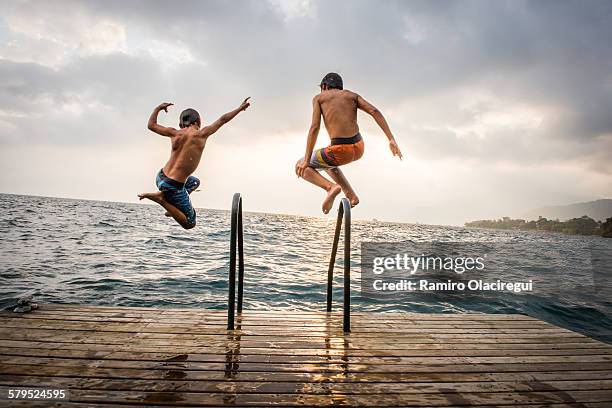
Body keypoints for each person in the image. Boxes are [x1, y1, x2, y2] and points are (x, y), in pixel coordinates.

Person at [295, 73, 403, 213]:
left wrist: (307, 160)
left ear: (324, 86)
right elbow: (374, 111)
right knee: (327, 162)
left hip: (339, 150)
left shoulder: (319, 98)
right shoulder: (352, 96)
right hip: (358, 148)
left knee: (300, 164)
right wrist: (391, 139)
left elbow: (314, 127)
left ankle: (330, 188)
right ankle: (351, 196)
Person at [139, 98, 251, 229]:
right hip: (173, 186)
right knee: (190, 223)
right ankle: (162, 199)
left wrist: (158, 108)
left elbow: (151, 125)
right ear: (198, 121)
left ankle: (172, 206)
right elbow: (223, 119)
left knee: (194, 182)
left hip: (161, 177)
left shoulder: (175, 133)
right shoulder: (201, 134)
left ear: (181, 124)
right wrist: (239, 109)